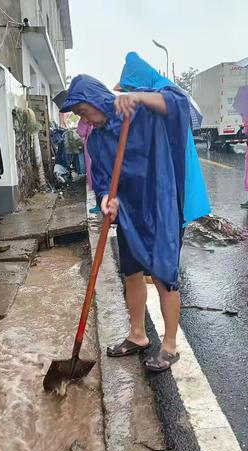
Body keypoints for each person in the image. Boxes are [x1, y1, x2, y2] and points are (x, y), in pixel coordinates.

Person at [61, 74, 191, 372]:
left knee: (162, 274)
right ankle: (138, 335)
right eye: (79, 115)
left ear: (95, 99)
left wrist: (140, 97)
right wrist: (107, 198)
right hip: (130, 212)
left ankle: (169, 346)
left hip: (159, 204)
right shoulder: (96, 140)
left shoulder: (137, 110)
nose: (85, 119)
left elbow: (179, 103)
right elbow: (104, 181)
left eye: (84, 111)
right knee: (131, 272)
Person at [119, 51, 211, 225]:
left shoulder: (167, 89)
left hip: (173, 165)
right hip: (161, 169)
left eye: (132, 87)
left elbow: (175, 102)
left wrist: (139, 96)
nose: (132, 92)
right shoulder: (154, 88)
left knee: (172, 221)